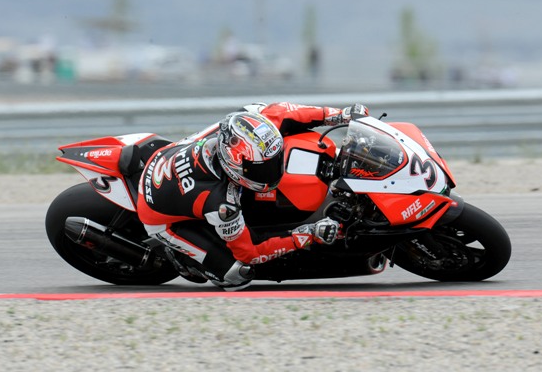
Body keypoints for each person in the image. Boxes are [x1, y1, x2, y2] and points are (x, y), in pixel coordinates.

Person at [136, 102, 368, 290]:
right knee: (236, 274)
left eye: (273, 162)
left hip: (166, 156)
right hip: (160, 216)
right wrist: (308, 233)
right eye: (262, 169)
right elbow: (250, 252)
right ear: (234, 165)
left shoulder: (249, 122)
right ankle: (182, 257)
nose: (272, 171)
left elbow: (288, 113)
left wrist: (341, 115)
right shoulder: (222, 204)